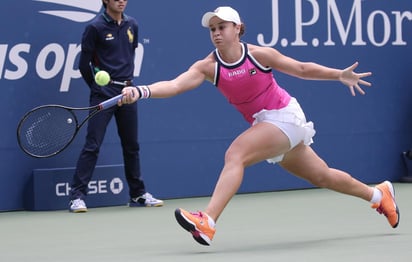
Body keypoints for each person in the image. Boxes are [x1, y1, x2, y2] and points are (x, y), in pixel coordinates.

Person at [119, 6, 399, 245]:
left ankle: (208, 221)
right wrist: (141, 91)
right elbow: (175, 85)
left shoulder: (259, 55)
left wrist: (339, 75)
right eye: (212, 29)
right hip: (268, 125)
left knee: (235, 154)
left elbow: (301, 69)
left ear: (238, 28)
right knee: (322, 176)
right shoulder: (208, 66)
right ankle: (378, 194)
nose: (216, 33)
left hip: (285, 116)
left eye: (222, 27)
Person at [69, 0, 163, 213]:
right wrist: (97, 88)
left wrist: (127, 87)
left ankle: (137, 194)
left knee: (132, 146)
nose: (121, 0)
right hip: (104, 93)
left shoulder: (133, 25)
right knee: (92, 145)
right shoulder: (94, 28)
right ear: (105, 1)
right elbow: (84, 65)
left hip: (129, 92)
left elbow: (128, 56)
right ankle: (77, 196)